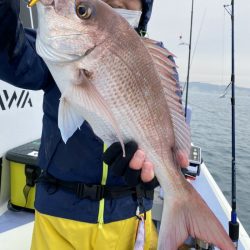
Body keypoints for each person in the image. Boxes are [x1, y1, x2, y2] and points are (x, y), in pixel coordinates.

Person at [0, 0, 189, 249]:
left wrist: (154, 177)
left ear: (143, 11)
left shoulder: (157, 63)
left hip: (130, 220)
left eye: (123, 1)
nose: (112, 4)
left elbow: (171, 138)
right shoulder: (54, 51)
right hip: (59, 218)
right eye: (103, 1)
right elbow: (11, 56)